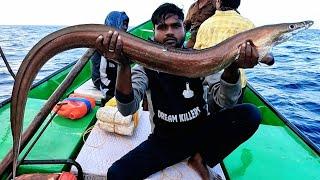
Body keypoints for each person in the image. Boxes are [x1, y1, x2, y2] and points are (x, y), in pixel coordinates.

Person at [95, 3, 265, 179]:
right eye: (162, 27)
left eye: (176, 26)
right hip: (164, 141)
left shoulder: (201, 59)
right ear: (153, 33)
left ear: (185, 29)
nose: (169, 31)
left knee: (250, 114)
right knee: (116, 174)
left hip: (201, 134)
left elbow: (225, 102)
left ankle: (201, 159)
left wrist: (233, 67)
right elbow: (126, 110)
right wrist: (123, 65)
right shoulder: (144, 68)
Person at [194, 0, 274, 103]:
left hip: (208, 82)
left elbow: (197, 54)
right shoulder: (247, 24)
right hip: (237, 84)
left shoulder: (205, 24)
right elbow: (266, 57)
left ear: (218, 1)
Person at [91, 11, 129, 101]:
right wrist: (109, 91)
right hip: (103, 82)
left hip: (115, 77)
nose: (125, 27)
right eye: (123, 24)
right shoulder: (101, 44)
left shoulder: (121, 41)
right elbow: (100, 74)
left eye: (126, 25)